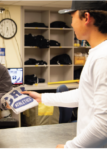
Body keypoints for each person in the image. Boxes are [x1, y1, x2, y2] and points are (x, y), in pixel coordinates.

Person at [22, 1, 107, 148]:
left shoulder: (102, 58)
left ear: (86, 17)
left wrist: (71, 147)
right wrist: (43, 97)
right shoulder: (97, 54)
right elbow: (85, 95)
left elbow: (104, 124)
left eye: (72, 17)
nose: (71, 24)